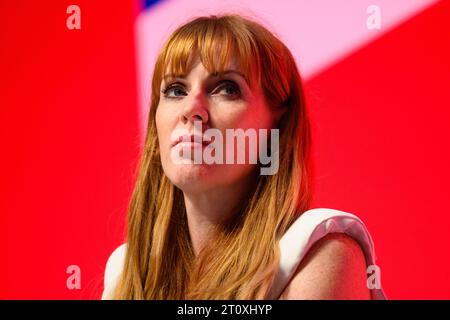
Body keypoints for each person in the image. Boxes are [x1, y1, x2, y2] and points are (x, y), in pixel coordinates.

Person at [101, 14, 387, 300]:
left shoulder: (317, 249)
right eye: (176, 90)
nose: (192, 108)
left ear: (277, 126)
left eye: (227, 88)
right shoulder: (122, 272)